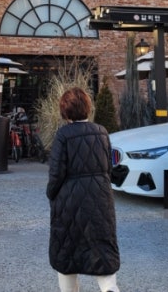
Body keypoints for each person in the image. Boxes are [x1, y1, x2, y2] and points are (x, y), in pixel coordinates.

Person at [47, 87, 120, 292]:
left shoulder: (63, 135)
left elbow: (56, 174)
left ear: (65, 111)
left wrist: (51, 194)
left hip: (69, 204)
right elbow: (108, 169)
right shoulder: (102, 132)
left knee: (67, 257)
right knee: (103, 254)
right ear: (87, 107)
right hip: (100, 201)